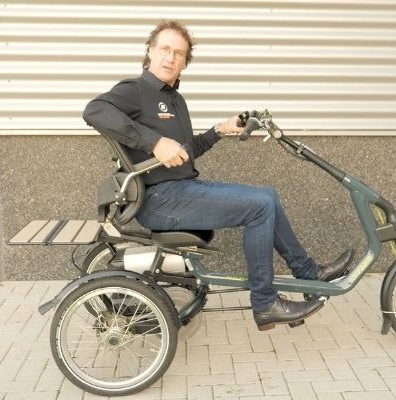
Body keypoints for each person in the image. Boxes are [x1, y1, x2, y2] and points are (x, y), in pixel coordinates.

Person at [83, 20, 354, 331]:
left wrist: (219, 130)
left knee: (267, 196)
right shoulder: (135, 90)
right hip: (159, 200)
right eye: (165, 49)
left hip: (182, 189)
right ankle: (265, 303)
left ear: (185, 62)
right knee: (260, 206)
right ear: (150, 51)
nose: (171, 58)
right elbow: (94, 110)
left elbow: (186, 152)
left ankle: (308, 275)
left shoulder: (175, 100)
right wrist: (154, 142)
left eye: (179, 53)